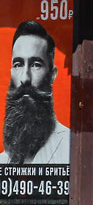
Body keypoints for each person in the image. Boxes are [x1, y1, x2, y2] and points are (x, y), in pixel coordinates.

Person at [1, 21, 70, 165]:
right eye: (18, 64)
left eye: (36, 65)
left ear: (52, 74)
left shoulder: (71, 147)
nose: (25, 78)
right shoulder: (2, 161)